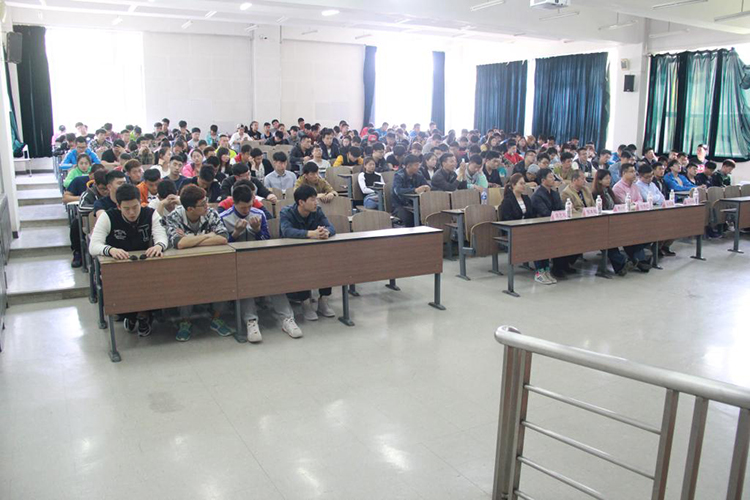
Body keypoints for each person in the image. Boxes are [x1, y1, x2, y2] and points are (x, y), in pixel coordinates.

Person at [218, 183, 302, 341]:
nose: (246, 211)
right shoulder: (223, 217)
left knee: (274, 277)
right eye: (243, 208)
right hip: (234, 262)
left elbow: (266, 240)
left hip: (258, 258)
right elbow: (221, 245)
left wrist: (257, 231)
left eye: (249, 206)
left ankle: (287, 318)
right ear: (234, 203)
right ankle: (251, 320)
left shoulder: (259, 214)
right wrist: (235, 233)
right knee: (243, 280)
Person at [89, 183, 167, 336]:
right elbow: (93, 246)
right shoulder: (108, 217)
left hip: (144, 265)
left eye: (135, 207)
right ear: (118, 206)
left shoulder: (151, 214)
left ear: (140, 203)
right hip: (117, 266)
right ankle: (131, 315)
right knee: (123, 287)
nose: (132, 212)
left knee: (151, 280)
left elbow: (162, 237)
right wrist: (110, 250)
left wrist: (159, 246)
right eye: (126, 209)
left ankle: (143, 315)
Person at [163, 184, 234, 341]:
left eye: (206, 201)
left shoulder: (211, 213)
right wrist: (208, 235)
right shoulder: (174, 216)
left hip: (211, 261)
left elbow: (223, 238)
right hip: (183, 264)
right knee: (184, 282)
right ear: (190, 209)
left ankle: (216, 318)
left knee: (224, 276)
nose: (207, 205)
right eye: (202, 204)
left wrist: (190, 239)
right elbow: (179, 243)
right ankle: (185, 321)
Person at [279, 184, 337, 321]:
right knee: (301, 265)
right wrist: (312, 234)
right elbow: (287, 231)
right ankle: (305, 303)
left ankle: (323, 300)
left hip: (314, 253)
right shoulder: (286, 212)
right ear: (301, 202)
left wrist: (326, 232)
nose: (316, 202)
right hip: (292, 254)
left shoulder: (317, 211)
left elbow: (331, 227)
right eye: (312, 200)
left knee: (327, 262)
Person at [500, 173, 555, 283]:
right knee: (536, 241)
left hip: (527, 229)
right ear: (513, 185)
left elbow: (531, 215)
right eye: (521, 184)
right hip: (514, 231)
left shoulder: (526, 198)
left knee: (544, 238)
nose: (523, 186)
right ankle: (539, 272)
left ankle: (546, 270)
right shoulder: (507, 201)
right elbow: (507, 220)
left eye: (524, 183)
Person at [530, 168, 576, 278]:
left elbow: (560, 208)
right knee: (558, 237)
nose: (553, 179)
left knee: (573, 234)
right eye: (550, 177)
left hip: (556, 224)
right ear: (543, 180)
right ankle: (557, 267)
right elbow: (545, 213)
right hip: (543, 226)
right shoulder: (537, 196)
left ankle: (564, 264)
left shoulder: (555, 193)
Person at [591, 170, 633, 276]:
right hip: (601, 223)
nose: (609, 180)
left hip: (613, 220)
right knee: (607, 239)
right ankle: (621, 263)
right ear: (599, 181)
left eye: (609, 178)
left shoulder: (609, 191)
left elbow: (616, 204)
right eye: (606, 178)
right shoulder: (595, 194)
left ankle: (624, 263)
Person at [391, 155, 430, 227]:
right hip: (400, 205)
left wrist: (427, 188)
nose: (418, 167)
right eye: (416, 165)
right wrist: (415, 190)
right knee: (409, 218)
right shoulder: (399, 176)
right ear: (408, 166)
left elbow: (426, 185)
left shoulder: (419, 175)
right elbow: (398, 190)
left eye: (418, 165)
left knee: (427, 214)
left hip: (415, 204)